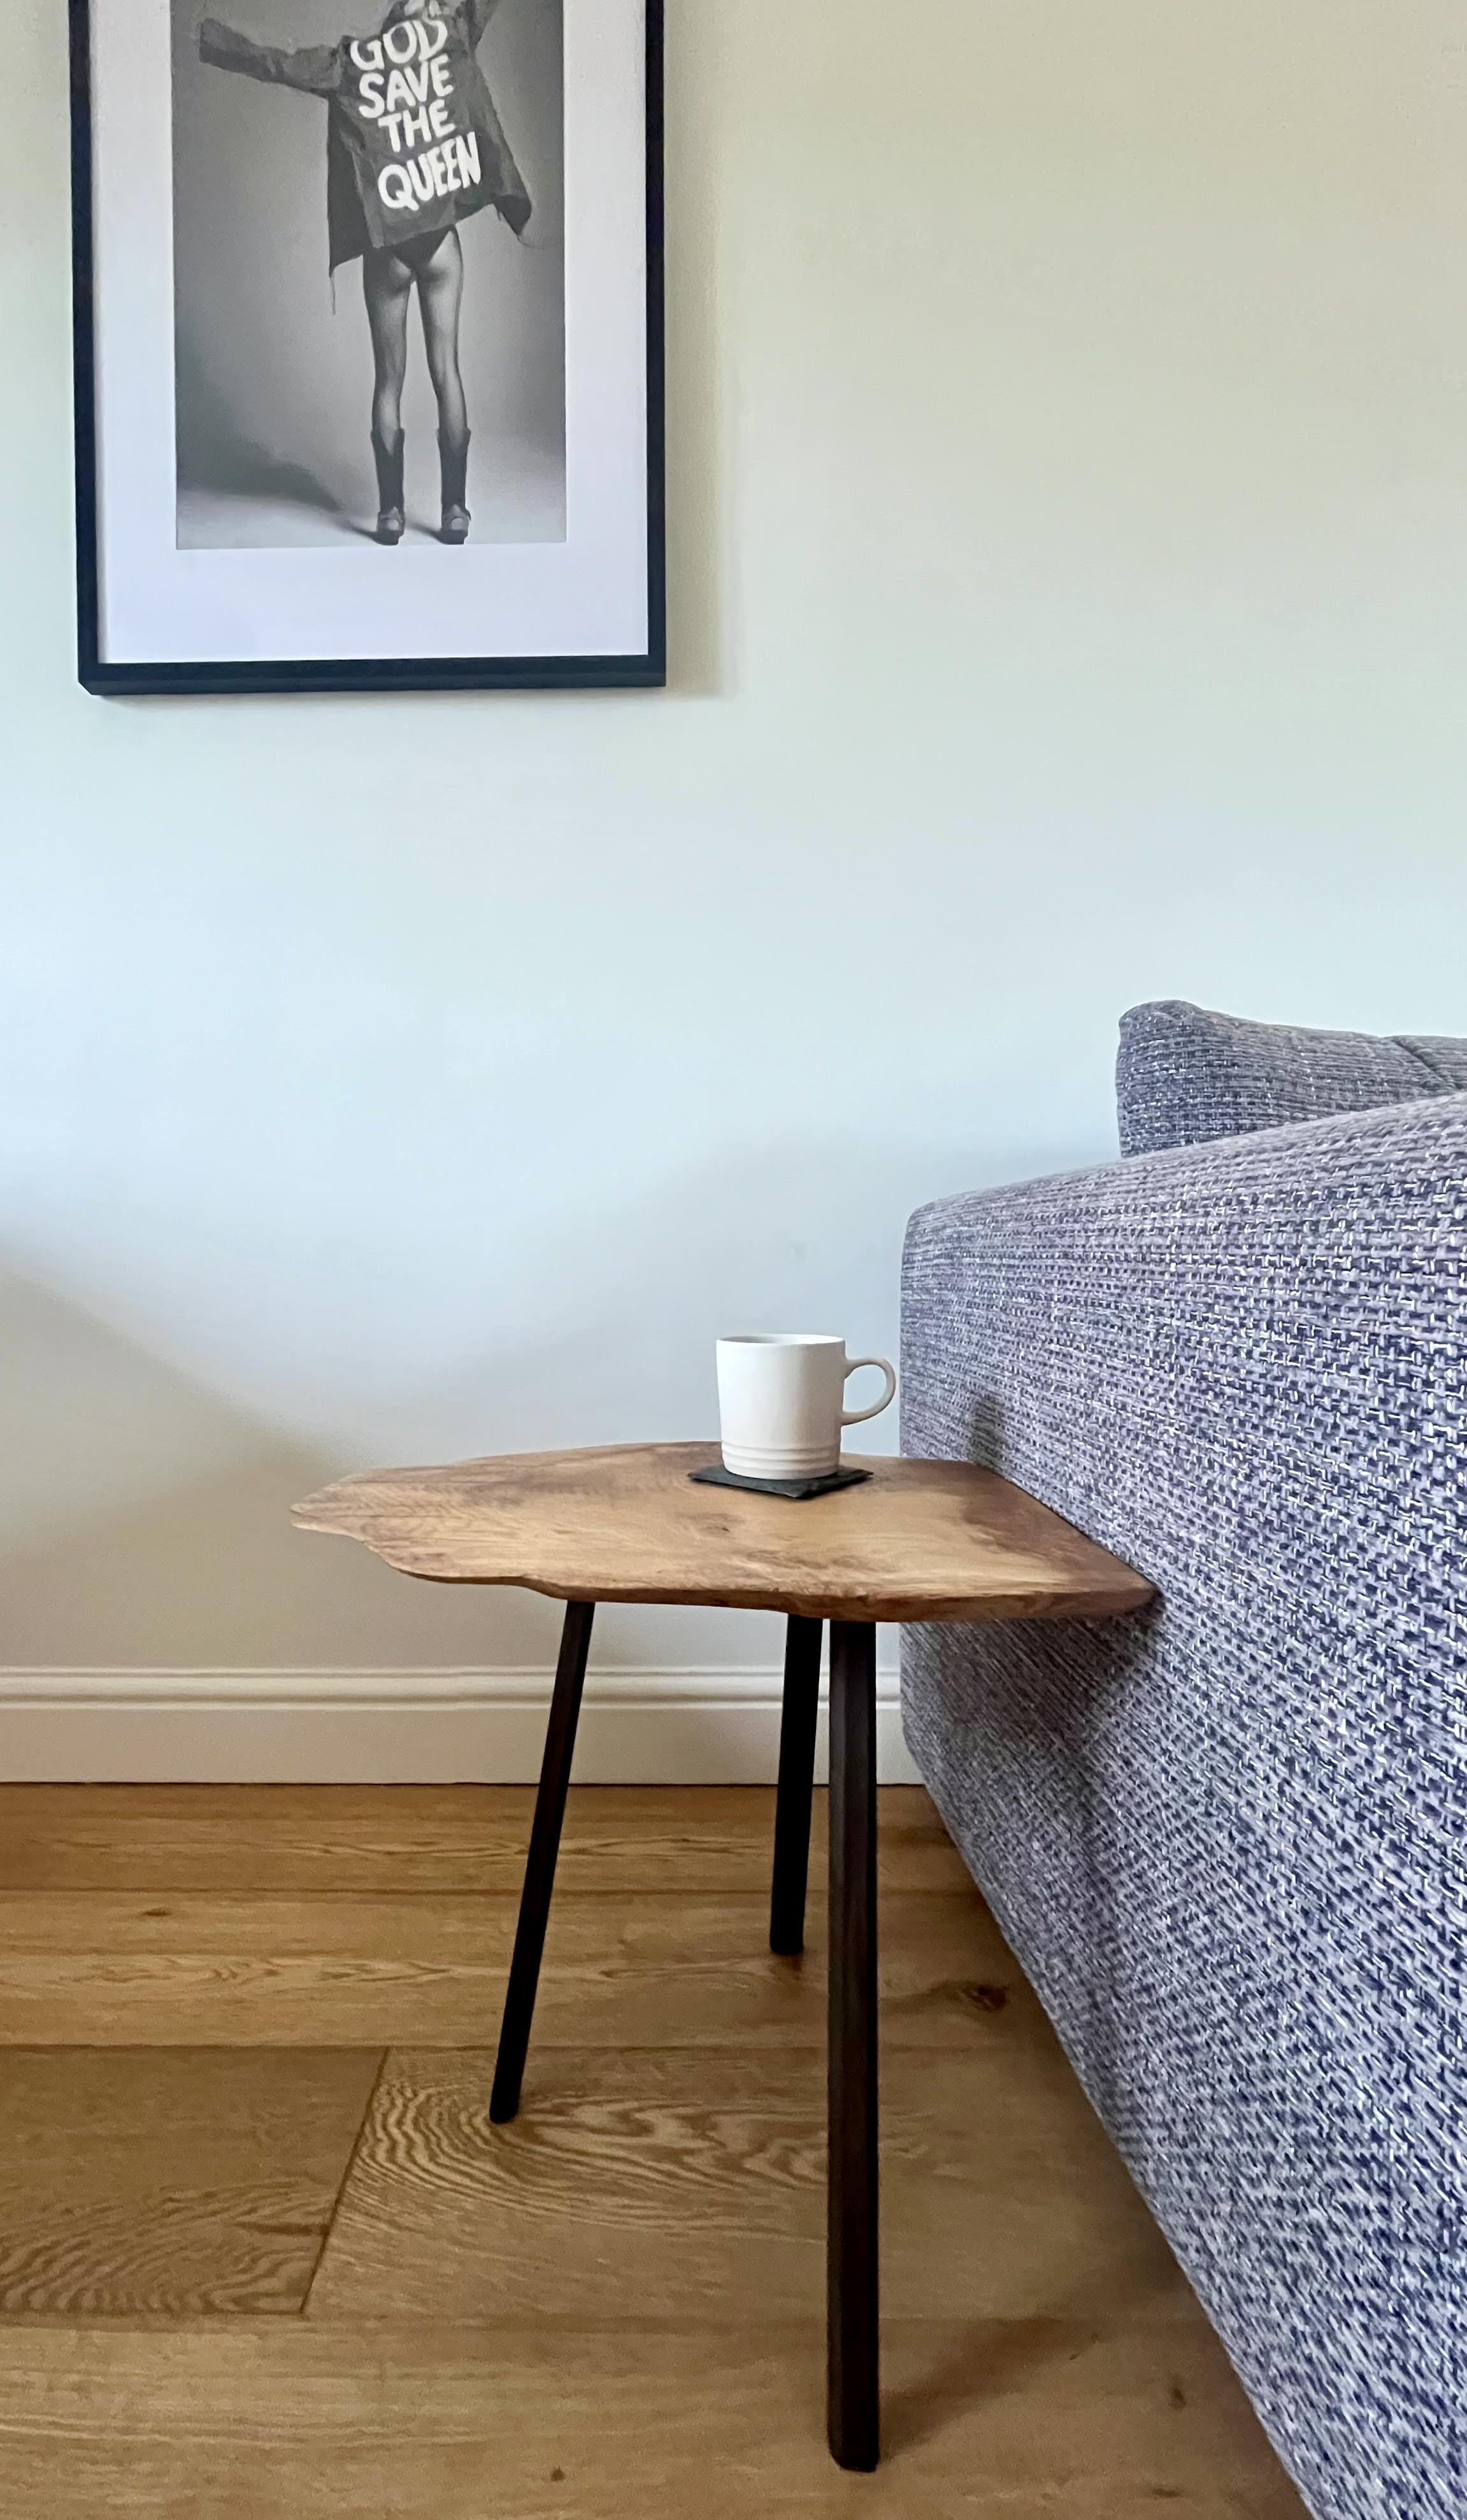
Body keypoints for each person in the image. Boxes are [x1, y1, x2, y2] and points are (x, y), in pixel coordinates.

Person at [199, 0, 533, 545]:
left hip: (389, 253)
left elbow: (277, 64)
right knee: (447, 370)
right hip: (439, 245)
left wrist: (212, 40)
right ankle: (454, 512)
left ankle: (390, 515)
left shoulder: (353, 65)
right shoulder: (450, 43)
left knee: (388, 381)